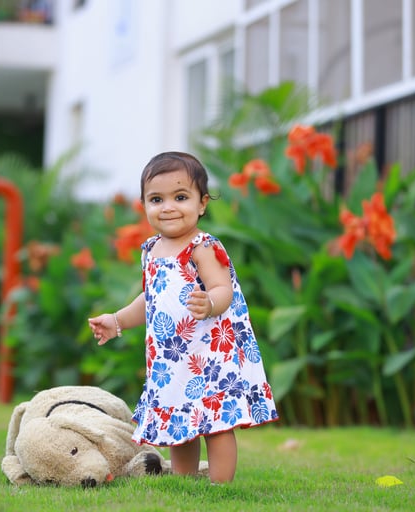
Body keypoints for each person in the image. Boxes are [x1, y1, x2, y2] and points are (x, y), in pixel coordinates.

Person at [88, 151, 278, 483]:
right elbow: (151, 297)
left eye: (180, 197)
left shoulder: (202, 247)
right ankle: (184, 481)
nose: (168, 207)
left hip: (209, 355)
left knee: (216, 424)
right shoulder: (151, 250)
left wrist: (210, 302)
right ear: (144, 205)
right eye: (156, 199)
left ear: (202, 204)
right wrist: (117, 320)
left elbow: (223, 288)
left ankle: (221, 486)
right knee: (180, 422)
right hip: (173, 359)